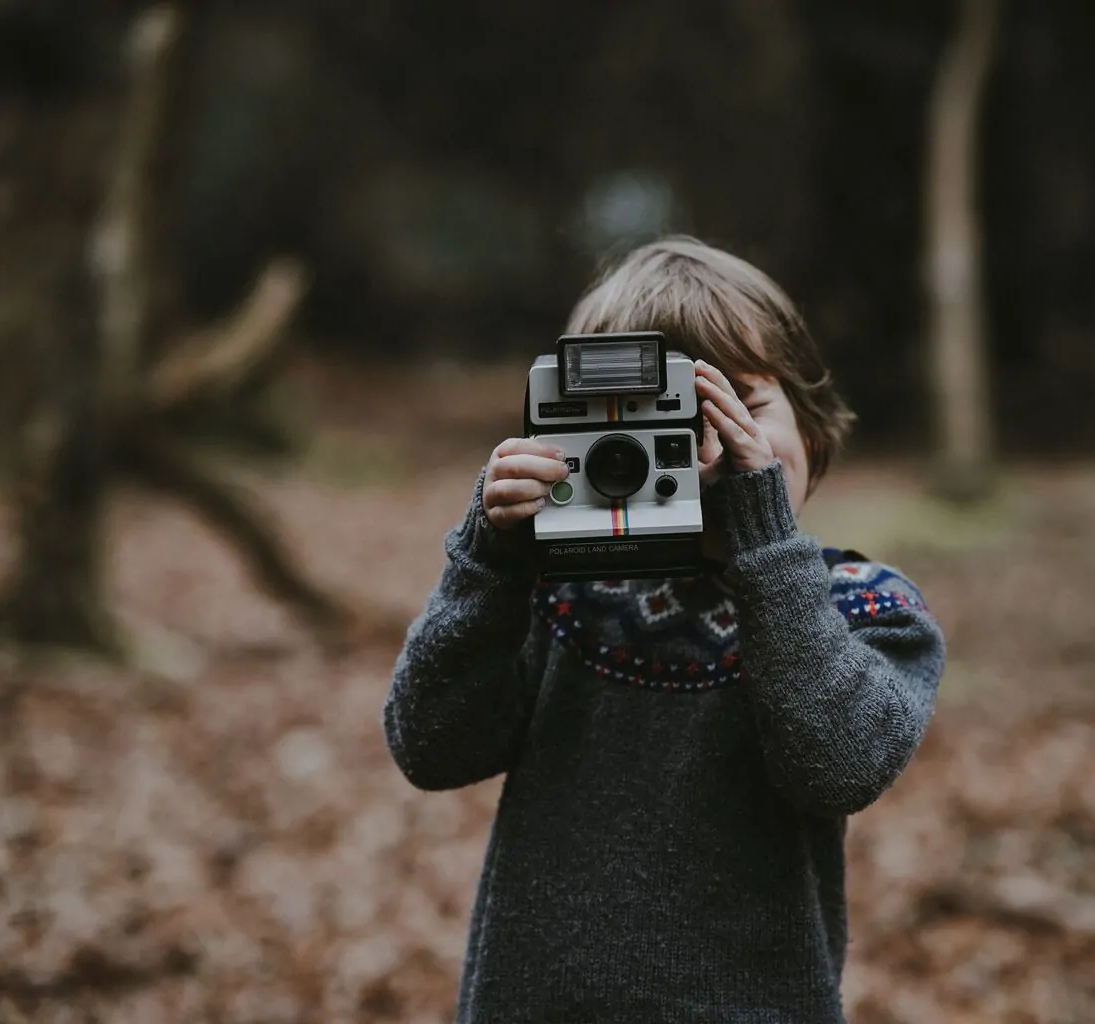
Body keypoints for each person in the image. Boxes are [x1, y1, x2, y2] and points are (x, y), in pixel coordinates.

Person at [383, 236, 946, 1022]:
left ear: (811, 429)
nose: (702, 451)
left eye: (734, 407)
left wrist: (763, 541)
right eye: (658, 420)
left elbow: (839, 765)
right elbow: (432, 746)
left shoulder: (862, 605)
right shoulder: (558, 592)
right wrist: (491, 558)